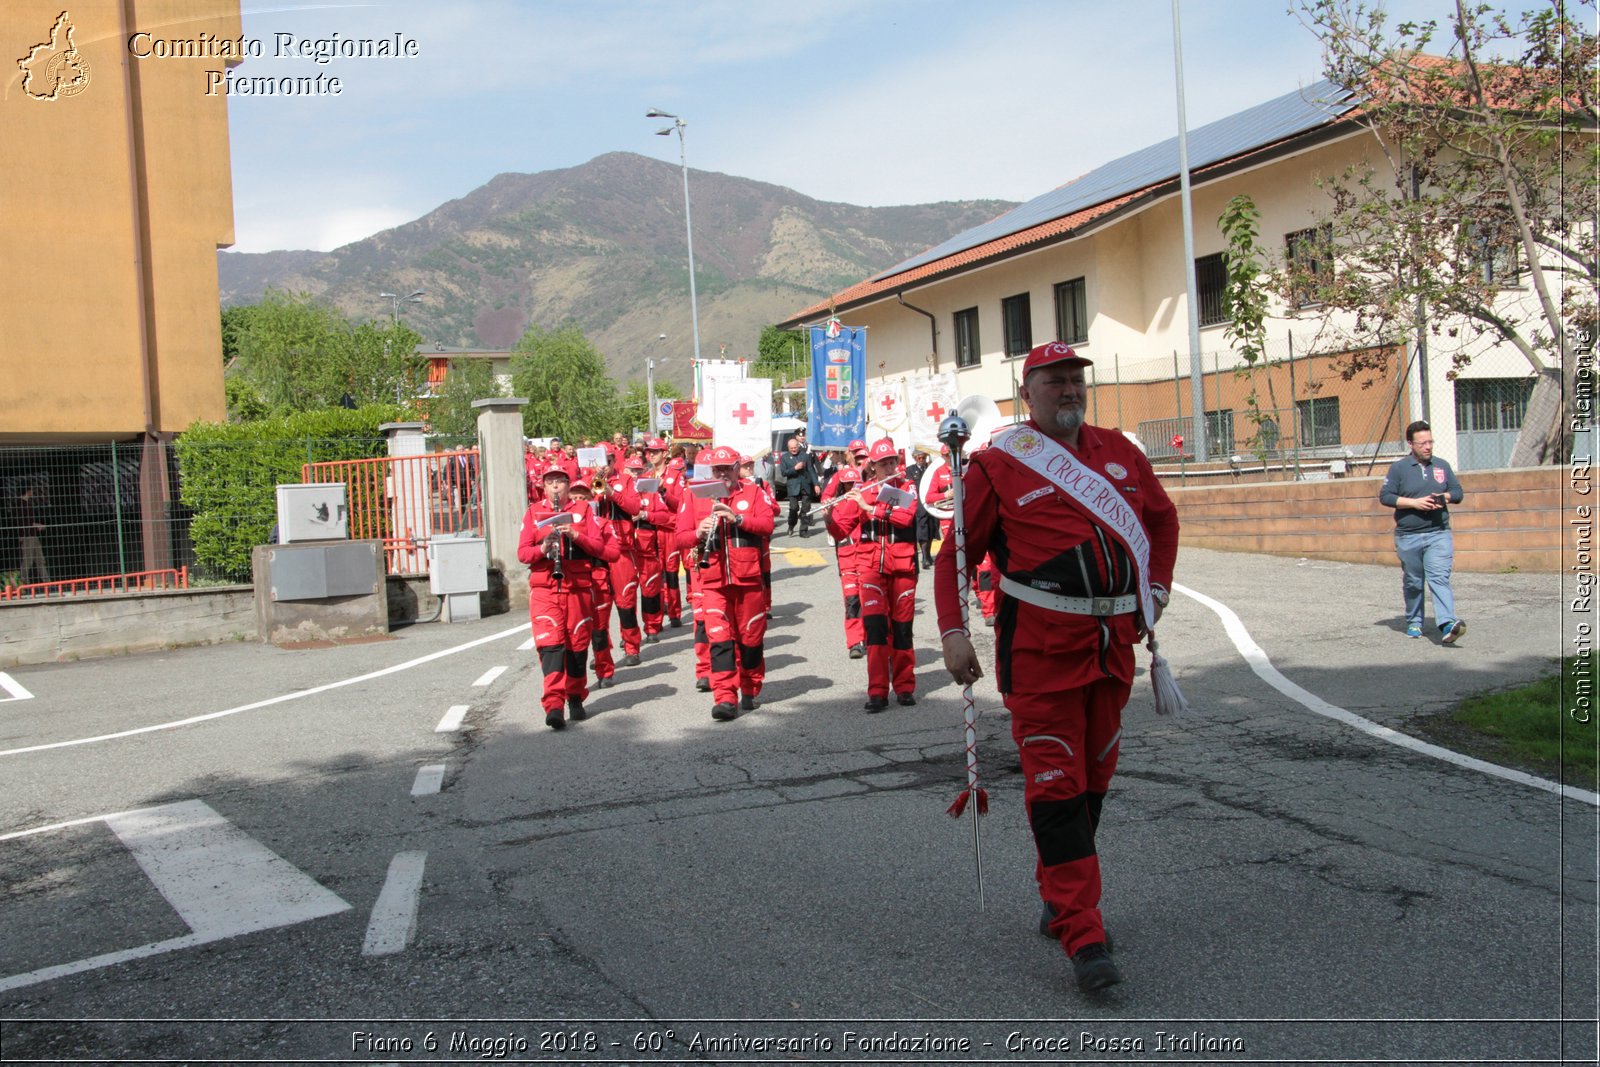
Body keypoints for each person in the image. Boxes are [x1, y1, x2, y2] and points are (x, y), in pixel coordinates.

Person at [935, 341, 1178, 995]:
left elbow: (1161, 520)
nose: (1069, 390)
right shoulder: (996, 465)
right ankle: (1083, 931)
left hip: (1111, 648)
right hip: (1040, 652)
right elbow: (954, 555)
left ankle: (1058, 891)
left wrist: (1156, 590)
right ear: (1028, 392)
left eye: (1076, 380)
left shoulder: (1121, 453)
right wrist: (955, 632)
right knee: (1056, 785)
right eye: (1055, 381)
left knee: (1093, 779)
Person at [675, 445, 774, 721]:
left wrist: (738, 519)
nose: (722, 473)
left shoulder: (753, 492)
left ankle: (750, 688)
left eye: (727, 468)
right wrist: (697, 532)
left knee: (751, 639)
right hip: (713, 580)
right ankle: (725, 698)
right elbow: (679, 536)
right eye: (716, 469)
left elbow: (767, 525)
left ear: (736, 468)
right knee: (719, 640)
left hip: (748, 578)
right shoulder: (694, 495)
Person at [516, 466, 618, 730]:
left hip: (578, 587)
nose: (555, 487)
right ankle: (553, 704)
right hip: (545, 588)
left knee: (576, 645)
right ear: (543, 486)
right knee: (550, 646)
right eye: (550, 483)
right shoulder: (532, 512)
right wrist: (543, 547)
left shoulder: (583, 511)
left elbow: (602, 549)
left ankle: (575, 696)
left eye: (560, 482)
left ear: (567, 485)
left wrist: (576, 535)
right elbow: (523, 554)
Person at [839, 439, 920, 710]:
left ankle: (905, 687)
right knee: (874, 630)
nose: (888, 467)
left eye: (891, 462)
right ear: (872, 466)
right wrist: (829, 516)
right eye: (882, 463)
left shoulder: (907, 486)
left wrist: (871, 508)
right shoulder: (862, 490)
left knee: (902, 630)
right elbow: (841, 529)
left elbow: (906, 518)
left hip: (903, 567)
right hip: (871, 568)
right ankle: (877, 691)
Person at [1380, 420, 1466, 643]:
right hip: (1408, 536)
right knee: (1413, 580)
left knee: (1439, 576)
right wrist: (1414, 503)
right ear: (1411, 444)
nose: (1428, 447)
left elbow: (1457, 492)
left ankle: (1447, 623)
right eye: (1422, 443)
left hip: (1438, 532)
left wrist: (1443, 497)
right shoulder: (1399, 468)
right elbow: (1386, 497)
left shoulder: (1442, 466)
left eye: (1430, 442)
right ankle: (1415, 621)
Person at [778, 435, 820, 536]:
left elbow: (811, 471)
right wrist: (795, 468)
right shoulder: (784, 457)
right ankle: (791, 525)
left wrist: (816, 484)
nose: (793, 449)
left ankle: (803, 530)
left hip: (805, 485)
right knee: (794, 508)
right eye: (791, 448)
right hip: (793, 486)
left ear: (798, 446)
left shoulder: (805, 456)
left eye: (795, 447)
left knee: (806, 509)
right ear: (788, 448)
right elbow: (784, 472)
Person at [16, 484, 47, 583]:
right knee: (27, 560)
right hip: (27, 536)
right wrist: (37, 525)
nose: (32, 492)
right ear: (27, 490)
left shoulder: (26, 503)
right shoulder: (20, 504)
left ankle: (47, 582)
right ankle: (24, 582)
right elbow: (24, 522)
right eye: (31, 490)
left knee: (40, 560)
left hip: (32, 535)